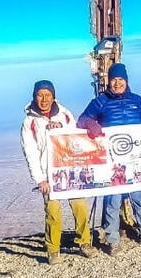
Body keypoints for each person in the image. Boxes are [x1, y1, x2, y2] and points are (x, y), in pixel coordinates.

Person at [77, 63, 141, 255]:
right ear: (108, 81)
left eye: (121, 79)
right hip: (112, 161)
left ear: (126, 81)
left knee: (139, 197)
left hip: (135, 160)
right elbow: (81, 119)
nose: (117, 83)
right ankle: (112, 239)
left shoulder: (136, 100)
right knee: (112, 200)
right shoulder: (100, 101)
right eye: (114, 80)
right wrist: (90, 123)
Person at [20, 79, 99, 265]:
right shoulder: (29, 122)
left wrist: (60, 130)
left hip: (69, 171)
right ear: (34, 97)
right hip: (48, 176)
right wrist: (40, 179)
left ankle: (84, 242)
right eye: (40, 95)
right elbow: (30, 152)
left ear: (54, 96)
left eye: (48, 95)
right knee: (53, 212)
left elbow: (74, 138)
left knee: (80, 206)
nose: (44, 99)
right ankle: (53, 249)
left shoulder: (64, 115)